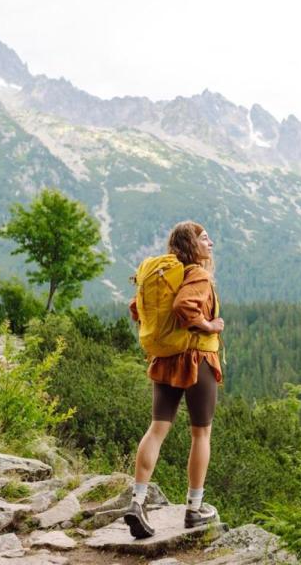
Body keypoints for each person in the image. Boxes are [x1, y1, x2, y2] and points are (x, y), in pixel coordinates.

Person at [124, 221, 224, 539]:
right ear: (192, 245)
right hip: (197, 359)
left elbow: (136, 309)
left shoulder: (164, 274)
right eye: (204, 239)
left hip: (166, 360)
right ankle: (194, 509)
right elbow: (184, 306)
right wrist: (209, 325)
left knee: (157, 429)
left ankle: (137, 501)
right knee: (201, 434)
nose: (210, 243)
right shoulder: (197, 274)